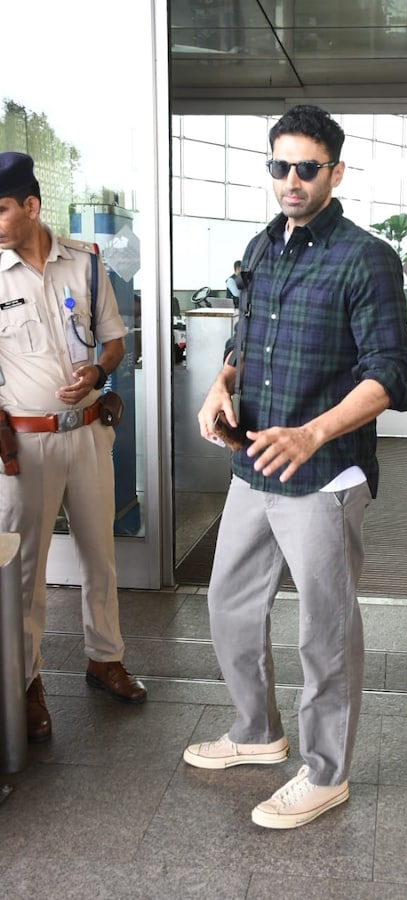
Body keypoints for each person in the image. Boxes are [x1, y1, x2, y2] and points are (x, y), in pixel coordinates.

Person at [183, 105, 407, 828]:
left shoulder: (364, 257)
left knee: (325, 630)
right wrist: (222, 384)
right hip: (254, 465)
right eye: (279, 166)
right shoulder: (262, 246)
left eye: (306, 168)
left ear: (335, 173)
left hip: (325, 476)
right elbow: (245, 341)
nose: (290, 180)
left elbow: (389, 376)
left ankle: (326, 772)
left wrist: (314, 433)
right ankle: (257, 733)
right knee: (228, 604)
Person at [0, 152, 147, 744]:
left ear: (30, 206)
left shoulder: (86, 265)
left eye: (2, 208)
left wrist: (97, 375)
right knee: (27, 571)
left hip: (86, 433)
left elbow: (114, 341)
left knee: (99, 555)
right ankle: (26, 683)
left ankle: (104, 658)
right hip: (25, 446)